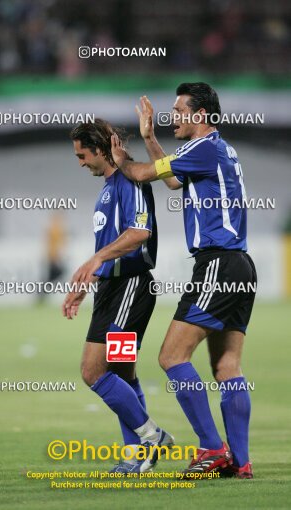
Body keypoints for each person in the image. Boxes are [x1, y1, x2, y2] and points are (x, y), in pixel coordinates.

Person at [107, 83, 257, 479]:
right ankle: (239, 463)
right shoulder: (218, 150)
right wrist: (150, 138)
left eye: (179, 110)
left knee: (171, 356)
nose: (173, 115)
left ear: (201, 115)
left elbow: (142, 173)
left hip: (217, 265)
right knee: (227, 367)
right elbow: (173, 181)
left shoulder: (203, 149)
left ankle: (212, 448)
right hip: (240, 265)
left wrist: (120, 158)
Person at [62, 118, 173, 473]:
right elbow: (109, 248)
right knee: (122, 375)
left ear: (99, 149)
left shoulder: (128, 179)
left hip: (131, 287)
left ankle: (150, 437)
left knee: (93, 371)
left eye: (82, 155)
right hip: (113, 288)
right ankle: (135, 457)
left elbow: (139, 232)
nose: (79, 163)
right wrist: (87, 284)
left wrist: (96, 259)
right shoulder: (109, 187)